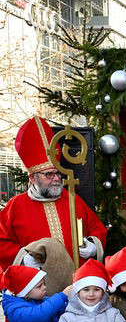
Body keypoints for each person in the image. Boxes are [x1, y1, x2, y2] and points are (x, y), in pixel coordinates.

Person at [0, 116, 107, 270]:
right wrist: (23, 257)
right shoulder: (15, 206)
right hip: (37, 286)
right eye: (49, 174)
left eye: (58, 173)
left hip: (76, 282)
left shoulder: (72, 199)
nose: (56, 179)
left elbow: (97, 228)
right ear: (32, 178)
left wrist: (92, 245)